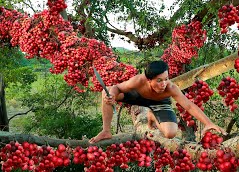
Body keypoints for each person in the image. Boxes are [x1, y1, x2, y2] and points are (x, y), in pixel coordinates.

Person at [89, 60, 227, 143]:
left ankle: (152, 115)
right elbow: (117, 87)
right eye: (159, 80)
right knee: (106, 92)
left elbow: (189, 106)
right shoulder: (138, 81)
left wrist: (208, 123)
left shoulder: (171, 88)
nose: (164, 84)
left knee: (170, 133)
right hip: (138, 96)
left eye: (166, 79)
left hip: (159, 103)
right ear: (149, 80)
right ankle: (106, 131)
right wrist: (112, 95)